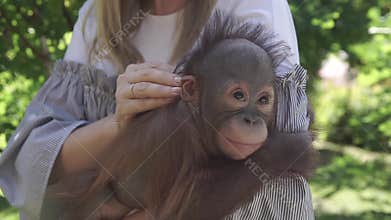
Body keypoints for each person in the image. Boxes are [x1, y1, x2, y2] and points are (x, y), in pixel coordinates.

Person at [0, 0, 314, 219]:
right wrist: (121, 124)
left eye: (259, 100)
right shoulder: (97, 18)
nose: (250, 116)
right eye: (238, 96)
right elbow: (32, 165)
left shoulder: (250, 5)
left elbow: (275, 190)